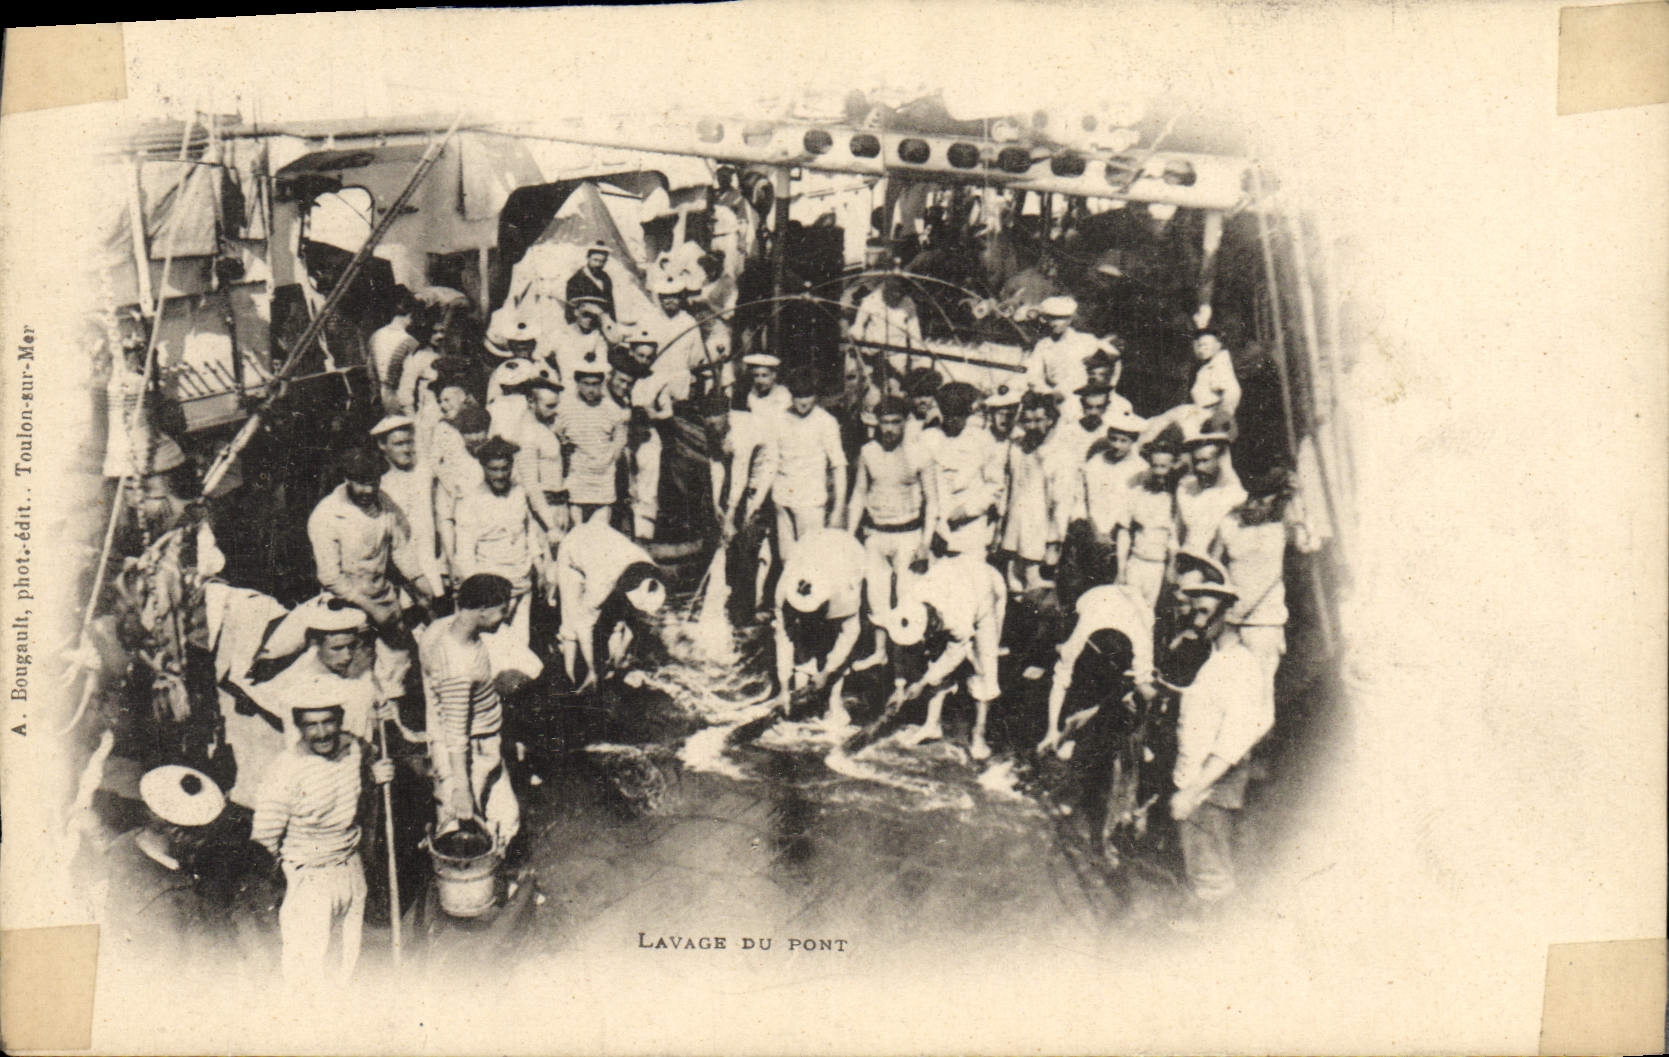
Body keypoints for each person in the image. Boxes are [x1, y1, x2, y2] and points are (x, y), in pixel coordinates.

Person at [250, 701, 394, 985]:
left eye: (328, 722)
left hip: (350, 869)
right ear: (299, 728)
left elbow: (357, 774)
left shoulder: (353, 749)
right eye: (311, 725)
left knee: (346, 966)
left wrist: (373, 774)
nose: (322, 733)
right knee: (307, 975)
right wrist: (280, 888)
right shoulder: (285, 770)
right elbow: (263, 840)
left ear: (340, 721)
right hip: (309, 877)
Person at [1169, 561, 1271, 913]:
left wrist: (1193, 791)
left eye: (1204, 612)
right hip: (1194, 781)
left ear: (1227, 614)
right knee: (1200, 869)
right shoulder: (1213, 661)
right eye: (1194, 611)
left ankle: (1217, 934)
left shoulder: (1241, 668)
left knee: (1211, 878)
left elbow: (1232, 743)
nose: (1196, 621)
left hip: (1209, 789)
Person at [306, 447, 432, 693]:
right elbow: (330, 577)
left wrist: (423, 585)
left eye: (373, 483)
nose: (368, 490)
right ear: (347, 479)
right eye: (361, 484)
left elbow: (401, 550)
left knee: (398, 668)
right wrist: (371, 608)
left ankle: (394, 713)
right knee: (357, 675)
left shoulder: (385, 504)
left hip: (383, 598)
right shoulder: (327, 514)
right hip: (346, 604)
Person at [417, 574, 520, 849]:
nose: (505, 618)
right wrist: (461, 787)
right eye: (502, 611)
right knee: (470, 834)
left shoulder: (439, 629)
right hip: (470, 751)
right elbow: (455, 732)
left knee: (501, 820)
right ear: (483, 610)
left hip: (475, 742)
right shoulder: (459, 667)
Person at [881, 552, 1008, 760]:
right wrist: (900, 686)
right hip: (957, 576)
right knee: (934, 658)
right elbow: (901, 644)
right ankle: (932, 724)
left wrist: (922, 683)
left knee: (984, 665)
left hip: (987, 589)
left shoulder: (957, 617)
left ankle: (979, 734)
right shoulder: (910, 602)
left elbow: (954, 655)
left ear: (931, 623)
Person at [100, 765, 226, 967]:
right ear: (177, 833)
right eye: (199, 838)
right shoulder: (174, 898)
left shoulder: (121, 845)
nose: (201, 846)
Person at [847, 397, 938, 667]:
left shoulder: (919, 453)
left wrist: (926, 542)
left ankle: (904, 661)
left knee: (907, 595)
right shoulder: (868, 452)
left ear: (906, 422)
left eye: (895, 422)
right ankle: (880, 652)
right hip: (876, 533)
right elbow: (859, 494)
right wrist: (849, 536)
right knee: (876, 596)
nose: (889, 429)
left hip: (908, 533)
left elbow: (932, 501)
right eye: (884, 422)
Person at [449, 437, 549, 657]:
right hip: (492, 589)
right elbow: (465, 553)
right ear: (483, 467)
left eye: (505, 469)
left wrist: (540, 568)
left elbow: (528, 532)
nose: (500, 475)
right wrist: (477, 595)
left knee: (520, 645)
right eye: (494, 469)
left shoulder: (519, 493)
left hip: (522, 581)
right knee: (492, 647)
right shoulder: (471, 501)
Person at [1037, 580, 1157, 755]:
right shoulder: (1077, 641)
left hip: (1138, 606)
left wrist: (1142, 731)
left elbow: (1148, 693)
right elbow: (1060, 683)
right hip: (1092, 599)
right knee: (1080, 680)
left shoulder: (1142, 646)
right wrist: (1052, 730)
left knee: (1132, 693)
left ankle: (1138, 737)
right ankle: (1073, 729)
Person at [553, 519, 667, 691]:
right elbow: (583, 625)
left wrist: (621, 651)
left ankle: (610, 670)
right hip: (574, 549)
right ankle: (569, 678)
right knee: (572, 622)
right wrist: (592, 670)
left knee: (617, 621)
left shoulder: (648, 568)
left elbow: (634, 618)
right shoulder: (601, 583)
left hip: (603, 544)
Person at [772, 527, 867, 727]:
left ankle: (834, 700)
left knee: (833, 638)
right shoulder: (783, 591)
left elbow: (850, 634)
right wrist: (783, 687)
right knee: (803, 633)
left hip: (848, 554)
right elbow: (783, 638)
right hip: (809, 544)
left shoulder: (844, 595)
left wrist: (827, 671)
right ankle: (801, 686)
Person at [1209, 467, 1295, 687]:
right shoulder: (1230, 522)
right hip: (1230, 622)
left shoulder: (1283, 525)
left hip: (1265, 624)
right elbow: (1213, 568)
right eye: (1254, 495)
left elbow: (1307, 543)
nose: (1257, 503)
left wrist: (1296, 499)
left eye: (1266, 496)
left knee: (1259, 690)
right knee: (1224, 687)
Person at [1000, 391, 1075, 594]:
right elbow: (1009, 488)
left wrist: (1053, 544)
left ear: (1050, 420)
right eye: (1027, 421)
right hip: (1012, 538)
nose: (1032, 426)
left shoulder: (1061, 454)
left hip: (1039, 542)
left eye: (1038, 420)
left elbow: (1062, 504)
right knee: (1013, 591)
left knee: (1036, 595)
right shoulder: (1016, 448)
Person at [769, 368, 848, 557]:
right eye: (798, 396)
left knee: (811, 557)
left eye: (808, 395)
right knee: (786, 558)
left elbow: (839, 465)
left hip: (810, 502)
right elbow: (771, 461)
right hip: (782, 499)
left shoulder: (826, 421)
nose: (803, 402)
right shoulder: (779, 418)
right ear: (791, 395)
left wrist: (838, 509)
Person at [370, 416, 443, 601]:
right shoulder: (380, 485)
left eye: (409, 442)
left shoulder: (425, 473)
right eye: (398, 444)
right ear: (382, 445)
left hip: (431, 558)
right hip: (402, 567)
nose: (406, 449)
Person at [929, 382, 1004, 558]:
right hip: (935, 528)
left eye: (959, 414)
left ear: (968, 413)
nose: (953, 420)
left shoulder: (982, 440)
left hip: (970, 528)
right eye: (948, 414)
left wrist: (968, 509)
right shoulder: (928, 438)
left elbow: (995, 485)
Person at [553, 354, 630, 526]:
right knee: (577, 528)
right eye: (586, 383)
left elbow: (619, 441)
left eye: (595, 384)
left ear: (602, 384)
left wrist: (608, 460)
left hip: (603, 478)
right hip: (577, 477)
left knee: (600, 527)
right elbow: (556, 435)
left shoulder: (612, 409)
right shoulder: (565, 408)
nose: (591, 389)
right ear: (577, 383)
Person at [1117, 424, 1184, 610]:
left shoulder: (1177, 500)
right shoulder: (1138, 493)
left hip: (1159, 568)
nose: (1158, 471)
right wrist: (1121, 570)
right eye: (1154, 466)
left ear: (1173, 466)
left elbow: (1173, 540)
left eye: (1164, 466)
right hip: (1135, 563)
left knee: (1149, 616)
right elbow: (1124, 532)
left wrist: (1171, 567)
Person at [1175, 419, 1247, 552]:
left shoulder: (1236, 494)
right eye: (1196, 462)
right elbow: (1178, 531)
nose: (1199, 467)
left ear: (1220, 459)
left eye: (1205, 461)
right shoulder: (1186, 489)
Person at [1024, 296, 1116, 399]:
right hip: (1054, 397)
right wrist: (1048, 392)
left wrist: (1110, 385)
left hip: (1083, 397)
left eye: (1060, 318)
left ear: (1070, 319)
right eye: (1051, 318)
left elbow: (1114, 357)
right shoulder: (1043, 345)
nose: (1055, 323)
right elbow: (1033, 375)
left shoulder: (1086, 340)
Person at [369, 290, 420, 413]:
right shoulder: (409, 341)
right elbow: (408, 378)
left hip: (381, 397)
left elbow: (370, 371)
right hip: (400, 400)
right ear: (410, 314)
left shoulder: (375, 336)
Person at [851, 276, 924, 350]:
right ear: (887, 288)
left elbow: (915, 332)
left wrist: (917, 351)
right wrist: (857, 337)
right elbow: (858, 324)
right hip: (872, 349)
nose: (897, 295)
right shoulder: (872, 299)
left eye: (900, 292)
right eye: (894, 291)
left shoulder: (908, 303)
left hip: (898, 350)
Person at [1188, 326, 1242, 423]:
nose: (1202, 349)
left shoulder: (1220, 365)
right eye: (1199, 346)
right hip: (1205, 417)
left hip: (1215, 420)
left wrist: (1222, 416)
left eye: (1205, 345)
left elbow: (1232, 391)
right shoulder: (1208, 367)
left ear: (1218, 345)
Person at [565, 241, 616, 321]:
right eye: (595, 260)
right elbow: (570, 308)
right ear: (588, 258)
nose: (598, 264)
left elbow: (610, 304)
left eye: (602, 261)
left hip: (603, 321)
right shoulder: (576, 280)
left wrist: (612, 321)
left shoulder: (605, 278)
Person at [739, 352, 791, 418]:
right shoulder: (752, 394)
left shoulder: (782, 393)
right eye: (756, 376)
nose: (760, 380)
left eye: (764, 375)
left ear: (774, 375)